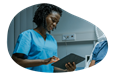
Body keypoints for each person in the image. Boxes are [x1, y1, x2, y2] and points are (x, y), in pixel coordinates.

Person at [11, 3, 76, 73]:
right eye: (53, 20)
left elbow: (53, 67)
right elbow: (15, 62)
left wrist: (67, 70)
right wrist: (43, 61)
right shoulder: (27, 35)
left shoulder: (52, 40)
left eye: (57, 22)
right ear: (43, 16)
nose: (55, 24)